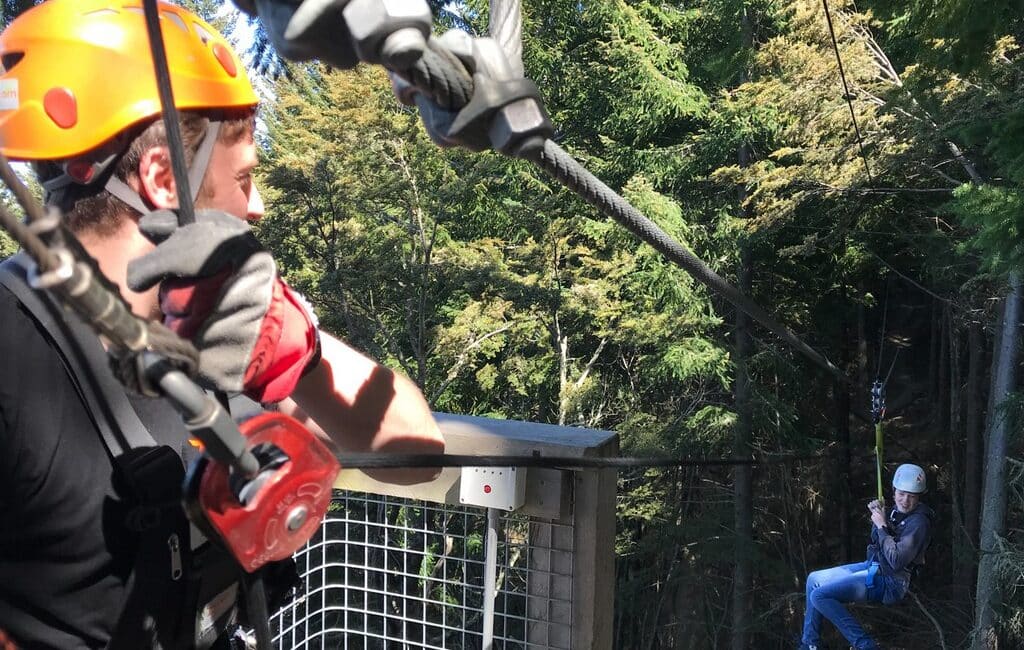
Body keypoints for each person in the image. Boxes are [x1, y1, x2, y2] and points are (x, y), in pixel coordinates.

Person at [0, 1, 444, 648]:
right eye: (245, 177)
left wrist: (305, 354)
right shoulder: (14, 352)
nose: (257, 206)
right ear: (161, 178)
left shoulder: (235, 323)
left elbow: (416, 455)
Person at [799, 463, 935, 650]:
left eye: (911, 496)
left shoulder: (919, 523)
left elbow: (896, 561)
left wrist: (881, 525)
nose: (905, 500)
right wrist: (879, 516)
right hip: (875, 567)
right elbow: (876, 542)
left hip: (892, 582)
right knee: (814, 580)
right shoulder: (895, 511)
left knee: (820, 596)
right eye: (901, 494)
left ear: (919, 497)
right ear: (894, 491)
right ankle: (809, 645)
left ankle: (866, 646)